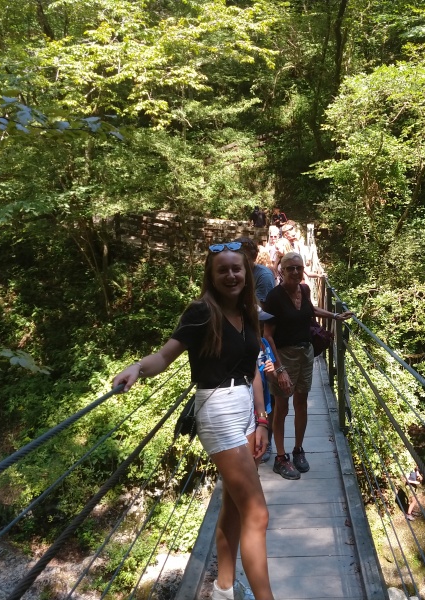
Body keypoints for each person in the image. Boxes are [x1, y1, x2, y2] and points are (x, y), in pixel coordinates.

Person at [112, 241, 274, 600]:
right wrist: (138, 368)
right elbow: (165, 356)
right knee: (257, 515)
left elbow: (255, 371)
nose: (231, 275)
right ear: (212, 276)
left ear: (247, 273)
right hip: (218, 412)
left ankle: (223, 589)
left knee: (234, 508)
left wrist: (262, 419)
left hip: (246, 407)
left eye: (237, 268)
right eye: (223, 270)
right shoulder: (201, 312)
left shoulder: (249, 312)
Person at [263, 252, 353, 479]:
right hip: (284, 355)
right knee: (282, 408)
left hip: (306, 353)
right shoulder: (274, 297)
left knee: (301, 402)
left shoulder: (304, 290)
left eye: (298, 268)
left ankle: (298, 450)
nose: (295, 272)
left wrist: (334, 316)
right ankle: (280, 458)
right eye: (290, 268)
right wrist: (279, 368)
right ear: (281, 270)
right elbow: (267, 335)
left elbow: (310, 311)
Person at [257, 309, 277, 463]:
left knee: (266, 418)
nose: (262, 326)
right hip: (246, 400)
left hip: (264, 396)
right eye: (258, 322)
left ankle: (266, 443)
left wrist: (272, 371)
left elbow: (272, 377)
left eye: (262, 323)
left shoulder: (264, 344)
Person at [236, 236, 275, 305]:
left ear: (254, 257)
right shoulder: (232, 272)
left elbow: (260, 308)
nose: (239, 263)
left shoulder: (264, 275)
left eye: (245, 260)